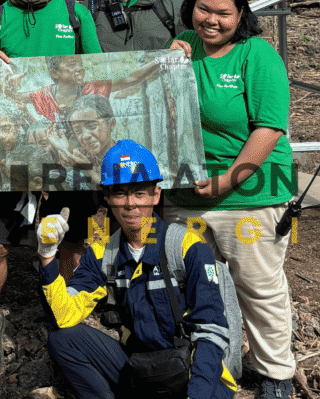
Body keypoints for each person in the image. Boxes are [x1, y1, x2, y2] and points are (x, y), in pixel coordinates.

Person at [0, 0, 102, 378]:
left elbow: (98, 75)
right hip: (14, 148)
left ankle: (65, 311)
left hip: (67, 147)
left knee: (73, 237)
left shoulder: (74, 14)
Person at [166, 0, 297, 399]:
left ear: (240, 15)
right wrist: (162, 66)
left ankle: (275, 376)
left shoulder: (256, 54)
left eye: (223, 13)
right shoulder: (182, 47)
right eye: (204, 9)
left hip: (249, 194)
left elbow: (269, 129)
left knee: (258, 286)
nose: (212, 20)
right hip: (187, 194)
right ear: (191, 9)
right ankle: (207, 368)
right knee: (191, 284)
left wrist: (226, 181)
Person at [38, 140, 237, 399]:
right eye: (120, 193)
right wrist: (47, 256)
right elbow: (62, 316)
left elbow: (211, 331)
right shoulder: (102, 254)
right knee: (63, 340)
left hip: (192, 373)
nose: (130, 204)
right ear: (107, 198)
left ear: (156, 194)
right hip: (144, 368)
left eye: (139, 192)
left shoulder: (187, 247)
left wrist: (196, 395)